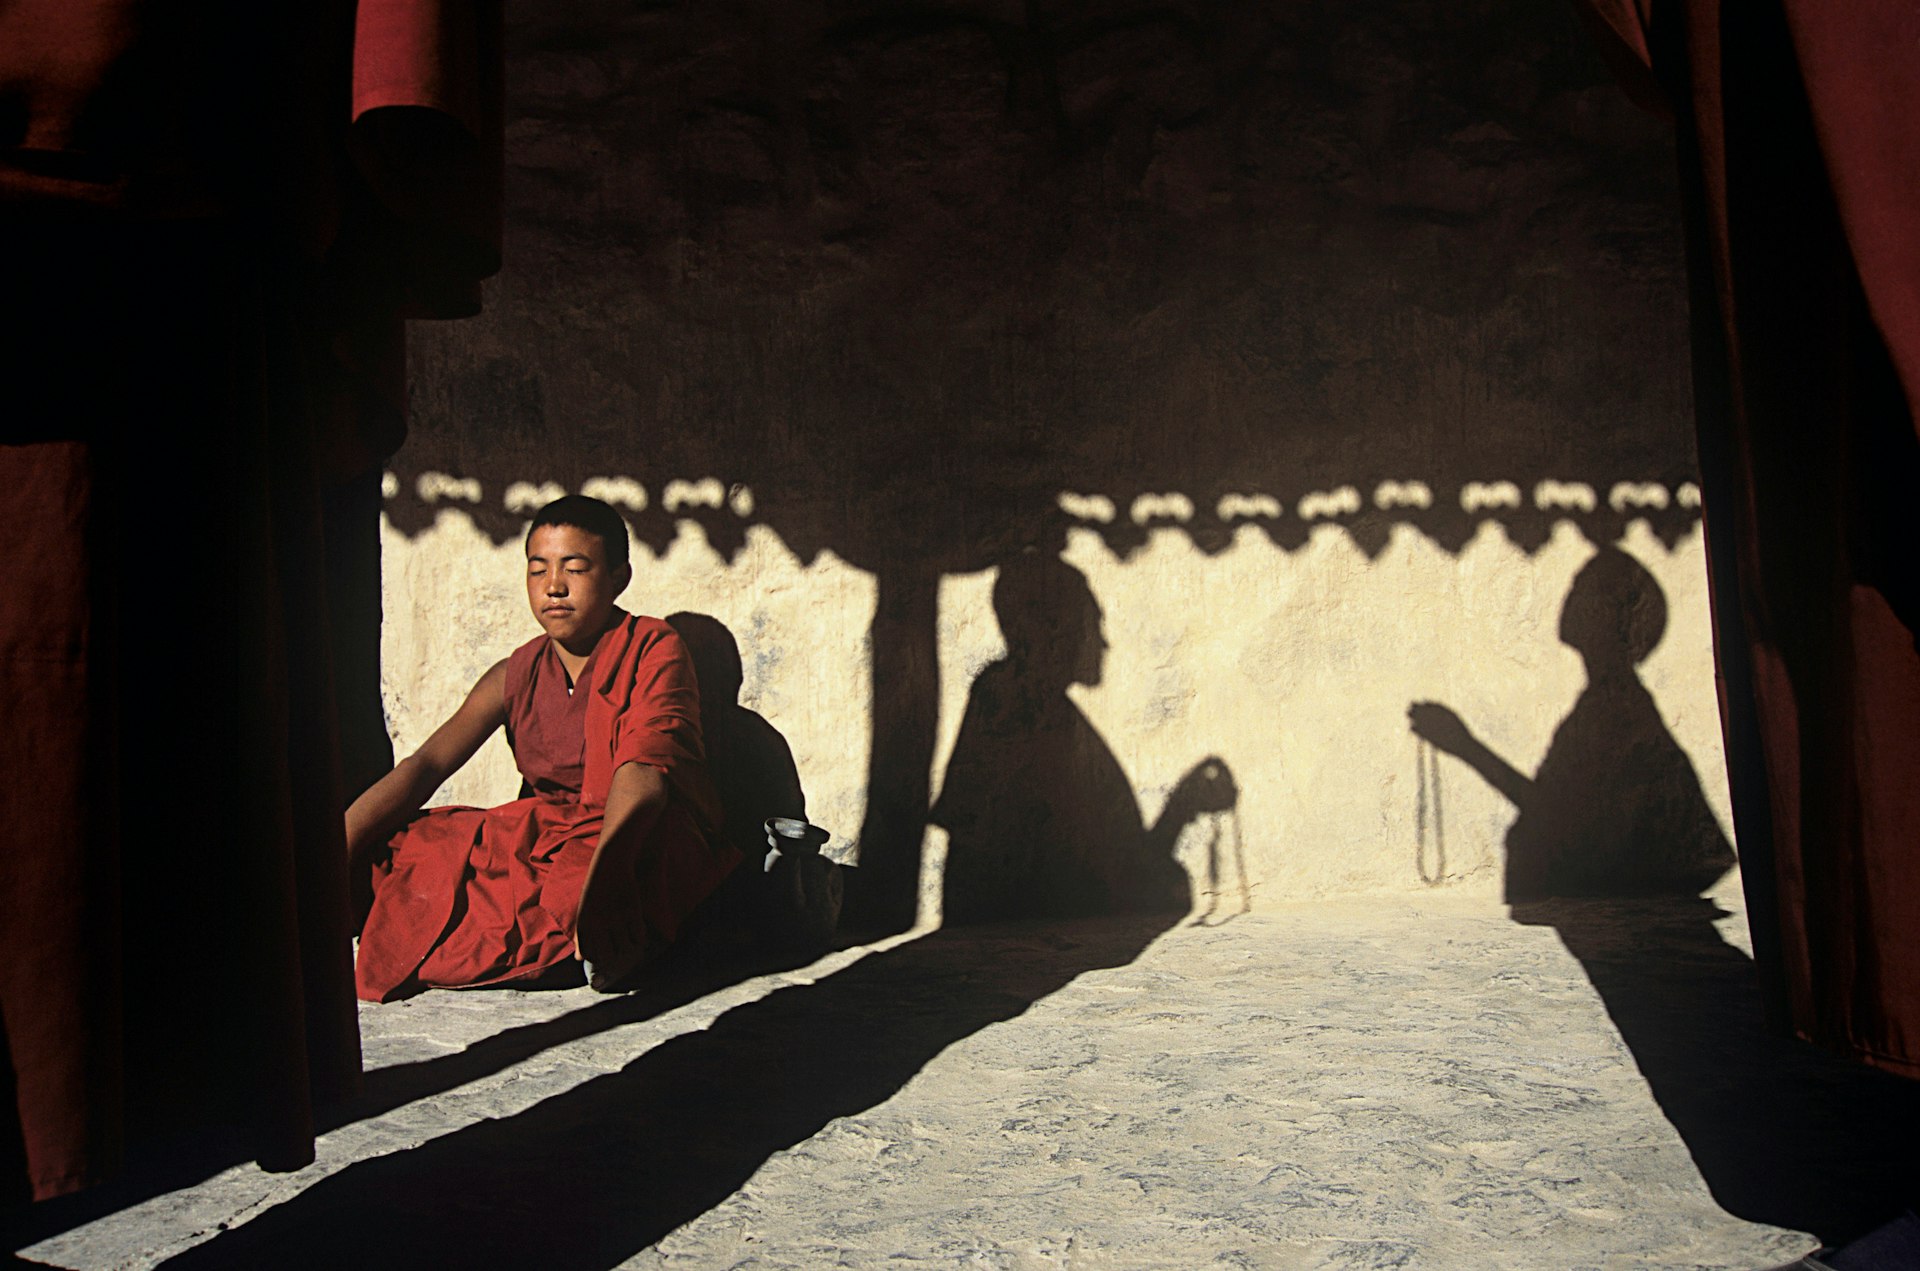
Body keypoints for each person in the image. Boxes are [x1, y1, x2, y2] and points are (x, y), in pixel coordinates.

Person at [348, 495, 738, 1000]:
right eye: (538, 570)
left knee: (622, 866)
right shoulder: (518, 671)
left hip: (635, 828)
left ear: (619, 578)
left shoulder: (652, 647)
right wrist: (338, 846)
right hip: (550, 842)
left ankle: (596, 936)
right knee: (414, 846)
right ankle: (586, 943)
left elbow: (645, 768)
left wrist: (606, 879)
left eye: (575, 568)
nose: (554, 586)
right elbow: (426, 764)